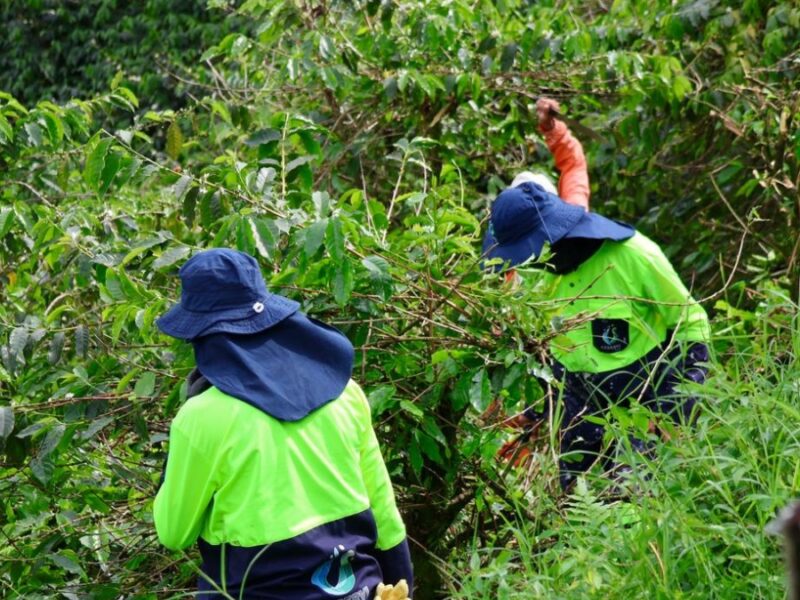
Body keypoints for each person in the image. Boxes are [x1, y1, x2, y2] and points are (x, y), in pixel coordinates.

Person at [153, 249, 413, 599]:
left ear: (201, 336)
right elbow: (384, 511)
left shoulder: (201, 417)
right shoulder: (345, 392)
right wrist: (405, 585)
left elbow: (173, 533)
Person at [485, 99, 711, 491]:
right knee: (574, 500)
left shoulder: (633, 255)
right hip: (581, 396)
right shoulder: (530, 277)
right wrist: (536, 419)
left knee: (631, 493)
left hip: (645, 389)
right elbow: (552, 361)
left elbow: (691, 322)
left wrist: (679, 401)